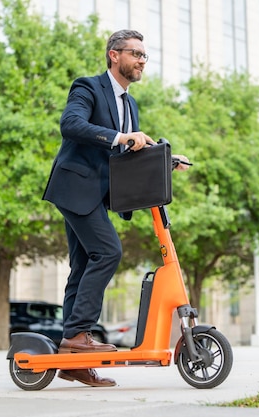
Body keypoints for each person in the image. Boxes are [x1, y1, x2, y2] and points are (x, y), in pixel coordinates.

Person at [43, 29, 190, 387]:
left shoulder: (130, 104)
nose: (142, 60)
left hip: (95, 195)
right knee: (108, 251)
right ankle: (78, 335)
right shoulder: (88, 87)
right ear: (114, 55)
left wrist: (162, 158)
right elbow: (71, 125)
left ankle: (72, 360)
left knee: (81, 266)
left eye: (144, 55)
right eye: (136, 53)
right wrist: (121, 137)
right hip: (75, 186)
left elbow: (127, 153)